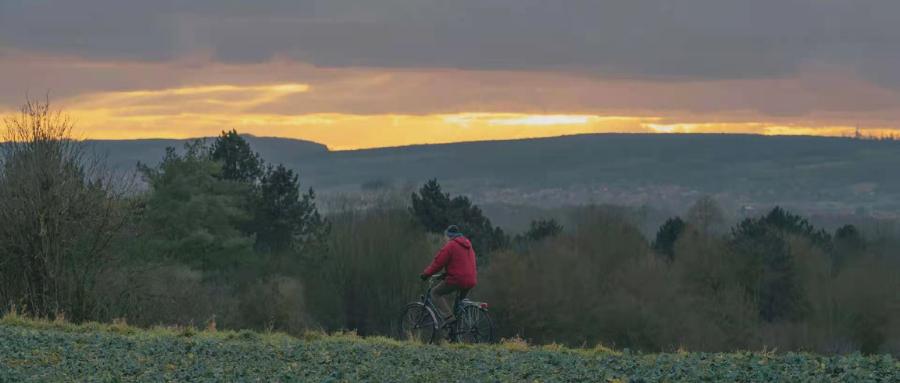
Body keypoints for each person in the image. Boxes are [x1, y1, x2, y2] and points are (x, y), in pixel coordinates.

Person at [420, 225, 477, 324]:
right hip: (471, 280)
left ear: (448, 236)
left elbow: (438, 263)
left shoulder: (451, 245)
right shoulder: (468, 245)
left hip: (458, 279)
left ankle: (449, 319)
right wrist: (446, 274)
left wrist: (426, 274)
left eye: (445, 237)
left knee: (435, 293)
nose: (444, 239)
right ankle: (455, 332)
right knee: (458, 305)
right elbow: (461, 264)